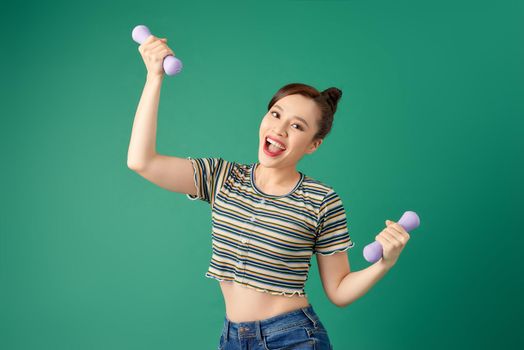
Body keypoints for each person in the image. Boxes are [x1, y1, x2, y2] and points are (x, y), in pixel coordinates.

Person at [128, 35, 410, 350]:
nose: (279, 129)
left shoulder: (321, 200)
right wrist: (154, 77)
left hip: (293, 339)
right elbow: (142, 161)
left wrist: (384, 263)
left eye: (297, 126)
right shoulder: (223, 177)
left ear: (313, 144)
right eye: (276, 114)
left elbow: (339, 291)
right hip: (233, 339)